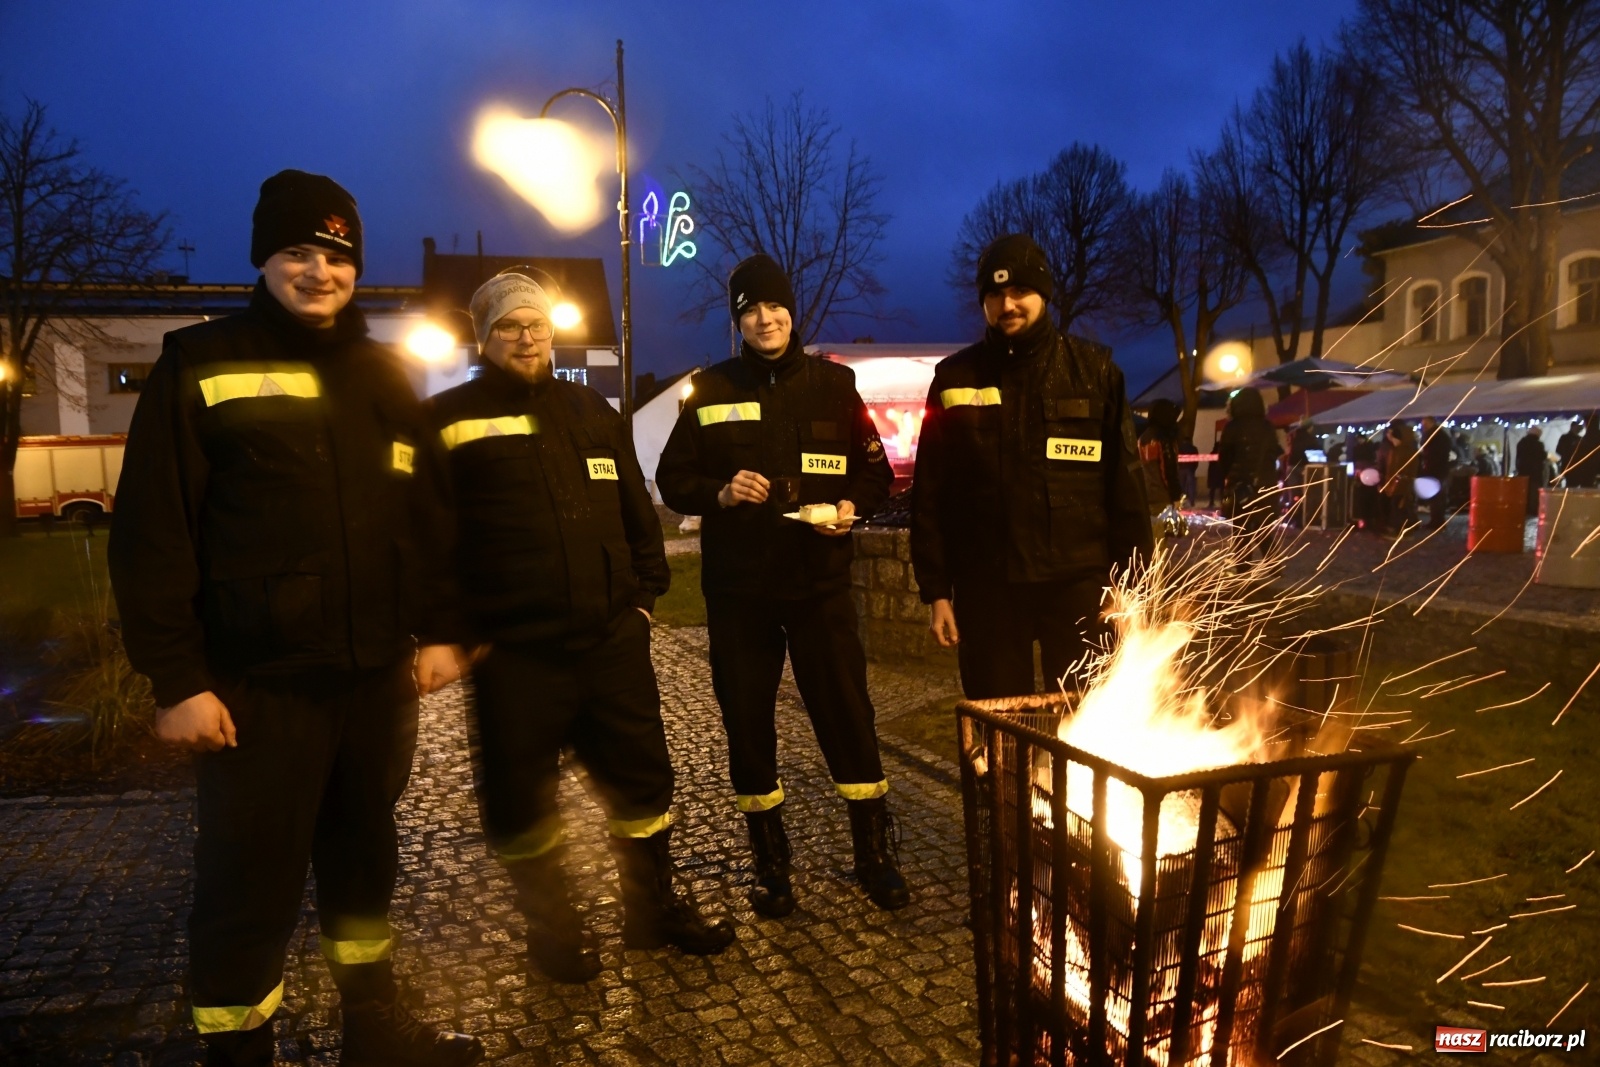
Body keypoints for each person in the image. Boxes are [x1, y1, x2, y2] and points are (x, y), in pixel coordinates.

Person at [108, 171, 482, 1067]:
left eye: (337, 255)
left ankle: (375, 1031)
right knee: (248, 886)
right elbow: (154, 531)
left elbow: (427, 516)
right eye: (298, 253)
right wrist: (179, 679)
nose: (320, 271)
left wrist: (440, 629)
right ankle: (239, 1051)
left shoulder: (384, 374)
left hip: (369, 682)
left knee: (364, 868)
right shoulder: (198, 361)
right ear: (263, 259)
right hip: (255, 690)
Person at [430, 272, 733, 983]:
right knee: (521, 799)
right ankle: (554, 933)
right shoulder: (448, 418)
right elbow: (428, 538)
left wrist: (644, 601)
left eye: (535, 322)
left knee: (643, 784)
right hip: (515, 656)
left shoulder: (591, 408)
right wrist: (451, 628)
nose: (526, 335)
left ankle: (650, 912)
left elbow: (636, 509)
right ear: (484, 338)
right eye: (508, 325)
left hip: (608, 642)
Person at [656, 253, 908, 917]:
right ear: (736, 318)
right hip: (740, 594)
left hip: (819, 586)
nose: (764, 318)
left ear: (791, 311)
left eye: (773, 306)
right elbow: (671, 477)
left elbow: (876, 476)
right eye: (749, 308)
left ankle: (874, 854)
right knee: (748, 725)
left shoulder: (834, 386)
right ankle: (772, 867)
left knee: (848, 716)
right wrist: (718, 489)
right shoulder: (708, 390)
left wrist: (853, 507)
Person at [909, 233, 1152, 700]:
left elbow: (1126, 489)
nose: (1007, 304)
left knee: (1091, 721)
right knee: (1000, 725)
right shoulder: (954, 378)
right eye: (995, 294)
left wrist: (1133, 587)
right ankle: (1004, 779)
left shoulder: (1096, 371)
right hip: (988, 588)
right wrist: (936, 590)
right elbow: (931, 493)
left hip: (1080, 585)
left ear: (1044, 293)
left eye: (1019, 291)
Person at [1215, 387, 1282, 551]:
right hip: (1265, 486)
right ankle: (1273, 564)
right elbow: (1274, 453)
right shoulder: (1267, 427)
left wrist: (1227, 477)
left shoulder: (1232, 427)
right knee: (1262, 529)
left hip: (1240, 487)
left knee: (1240, 532)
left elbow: (1224, 458)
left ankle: (1243, 569)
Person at [1381, 420, 1419, 534]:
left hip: (1400, 483)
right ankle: (1406, 527)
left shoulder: (1400, 451)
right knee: (1402, 506)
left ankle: (1401, 529)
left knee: (1400, 506)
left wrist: (1391, 482)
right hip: (1402, 483)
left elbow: (1394, 469)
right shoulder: (1407, 450)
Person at [1419, 416, 1455, 528]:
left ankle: (1437, 521)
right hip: (1438, 470)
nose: (1423, 427)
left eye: (1425, 424)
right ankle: (1437, 520)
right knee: (1438, 498)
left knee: (1436, 498)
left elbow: (1433, 453)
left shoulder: (1435, 436)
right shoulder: (1440, 435)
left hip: (1436, 470)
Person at [1515, 425, 1549, 515]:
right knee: (1534, 493)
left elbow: (1518, 458)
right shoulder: (1538, 444)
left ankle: (1524, 509)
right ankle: (1533, 510)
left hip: (1523, 472)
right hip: (1535, 473)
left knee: (1525, 492)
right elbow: (1542, 457)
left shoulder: (1521, 443)